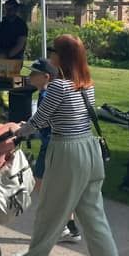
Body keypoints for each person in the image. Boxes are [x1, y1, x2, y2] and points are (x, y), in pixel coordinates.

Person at [0, 34, 129, 256]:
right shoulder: (86, 85)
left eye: (52, 51)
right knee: (95, 222)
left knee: (50, 215)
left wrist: (18, 133)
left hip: (67, 153)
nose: (49, 55)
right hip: (89, 152)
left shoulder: (58, 86)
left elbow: (40, 120)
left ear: (61, 56)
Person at [26, 57, 81, 244]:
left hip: (51, 145)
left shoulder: (47, 95)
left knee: (43, 185)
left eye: (34, 73)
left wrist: (24, 129)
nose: (30, 76)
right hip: (58, 144)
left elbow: (42, 121)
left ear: (46, 77)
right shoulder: (52, 93)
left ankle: (61, 227)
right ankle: (70, 226)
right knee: (58, 187)